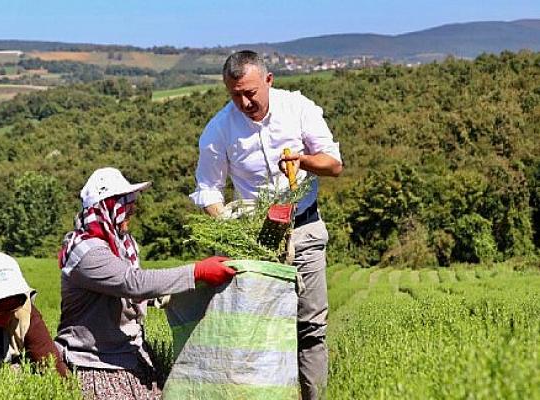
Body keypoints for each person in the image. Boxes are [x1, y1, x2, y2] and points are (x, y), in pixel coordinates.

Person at [190, 50, 343, 399]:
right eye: (235, 94)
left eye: (251, 93)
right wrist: (228, 223)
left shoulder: (299, 108)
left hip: (303, 230)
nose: (244, 102)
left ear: (269, 81)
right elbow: (208, 189)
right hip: (255, 240)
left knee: (310, 327)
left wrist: (302, 161)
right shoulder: (219, 129)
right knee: (257, 329)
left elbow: (334, 164)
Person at [56, 167, 236, 399]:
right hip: (96, 364)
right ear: (108, 207)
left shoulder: (122, 245)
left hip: (129, 357)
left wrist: (163, 296)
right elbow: (132, 283)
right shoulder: (87, 252)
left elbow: (132, 292)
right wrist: (197, 272)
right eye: (125, 203)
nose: (132, 209)